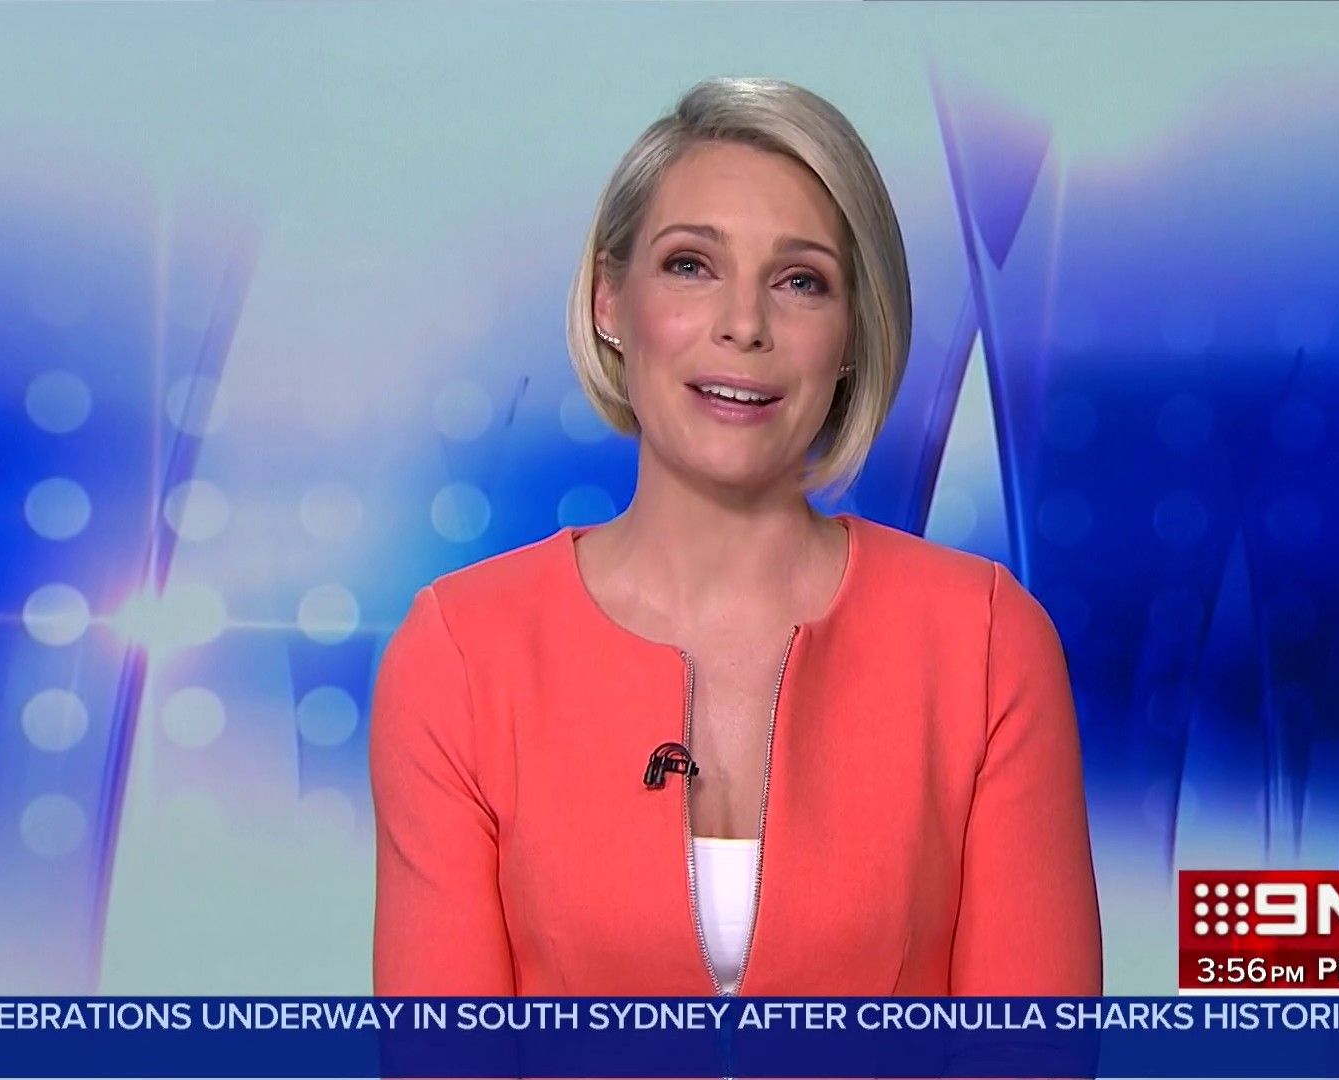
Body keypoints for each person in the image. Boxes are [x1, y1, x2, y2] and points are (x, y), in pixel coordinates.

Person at [369, 75, 1100, 996]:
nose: (745, 326)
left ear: (852, 335)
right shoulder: (460, 655)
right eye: (690, 265)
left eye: (800, 282)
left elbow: (1027, 1053)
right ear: (608, 301)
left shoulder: (988, 646)